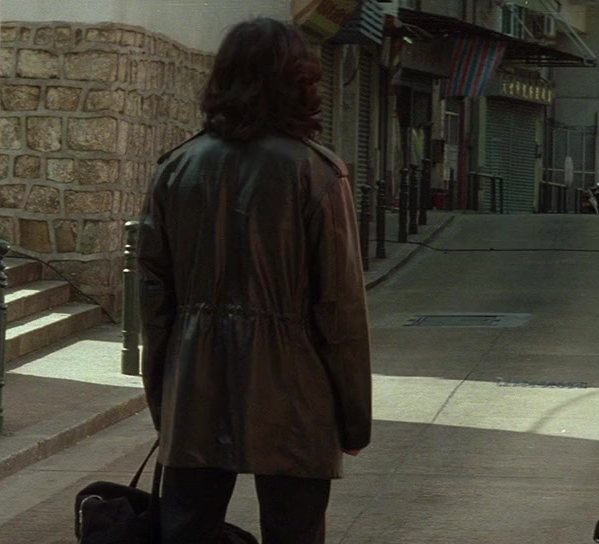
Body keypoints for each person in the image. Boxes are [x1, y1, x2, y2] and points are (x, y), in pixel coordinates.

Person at [137, 18, 372, 544]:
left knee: (187, 531)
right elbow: (339, 309)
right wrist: (354, 418)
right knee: (295, 531)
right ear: (299, 81)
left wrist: (164, 401)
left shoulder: (175, 169)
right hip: (295, 391)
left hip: (195, 385)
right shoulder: (317, 172)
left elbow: (154, 302)